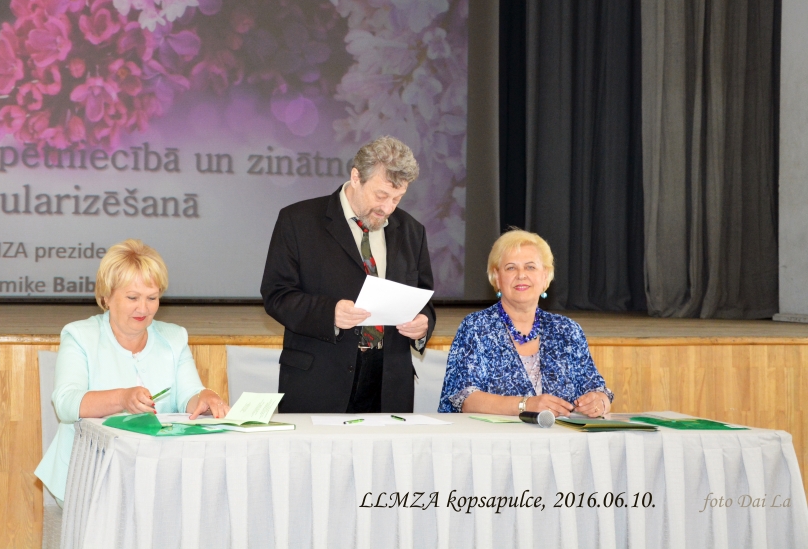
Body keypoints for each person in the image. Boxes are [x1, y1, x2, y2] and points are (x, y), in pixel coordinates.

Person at [35, 239, 228, 505]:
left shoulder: (174, 338)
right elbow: (66, 403)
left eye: (152, 298)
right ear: (106, 297)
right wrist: (122, 398)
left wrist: (204, 397)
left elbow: (189, 395)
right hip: (90, 477)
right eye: (132, 298)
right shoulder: (80, 335)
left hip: (160, 474)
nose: (144, 309)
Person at [261, 136, 435, 413]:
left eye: (397, 198)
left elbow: (424, 298)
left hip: (389, 383)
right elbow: (277, 295)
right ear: (356, 177)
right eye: (381, 196)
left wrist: (423, 324)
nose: (388, 208)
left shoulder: (412, 231)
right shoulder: (298, 221)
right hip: (319, 380)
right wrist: (329, 313)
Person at [438, 229, 613, 416]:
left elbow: (597, 389)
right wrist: (525, 405)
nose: (521, 275)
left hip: (559, 434)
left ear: (545, 276)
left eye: (530, 267)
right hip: (494, 435)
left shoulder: (567, 331)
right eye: (511, 268)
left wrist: (599, 402)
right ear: (497, 277)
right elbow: (465, 399)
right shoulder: (476, 327)